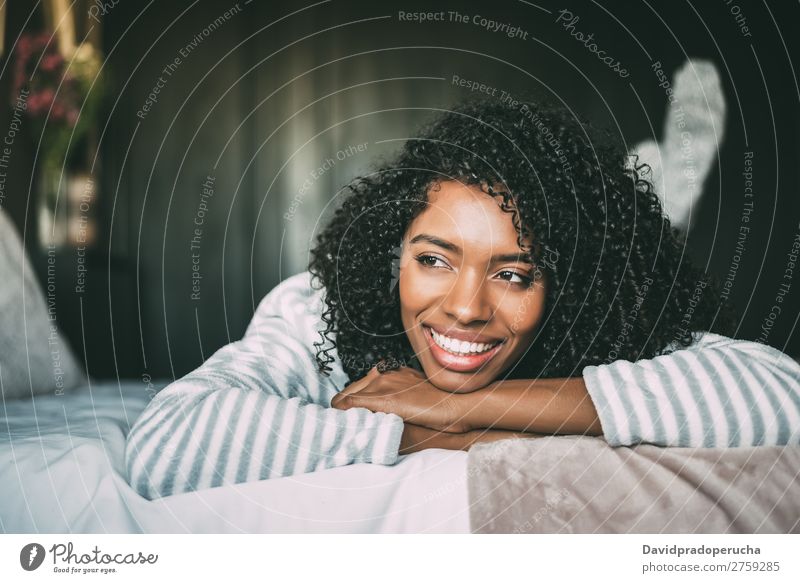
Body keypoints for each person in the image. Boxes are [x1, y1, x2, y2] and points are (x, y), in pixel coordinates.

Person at [125, 99, 800, 500]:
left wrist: (456, 402)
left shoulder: (591, 326)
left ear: (561, 285)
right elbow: (167, 445)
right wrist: (442, 430)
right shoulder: (312, 309)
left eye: (513, 273)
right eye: (433, 259)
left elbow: (781, 394)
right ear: (394, 252)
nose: (466, 307)